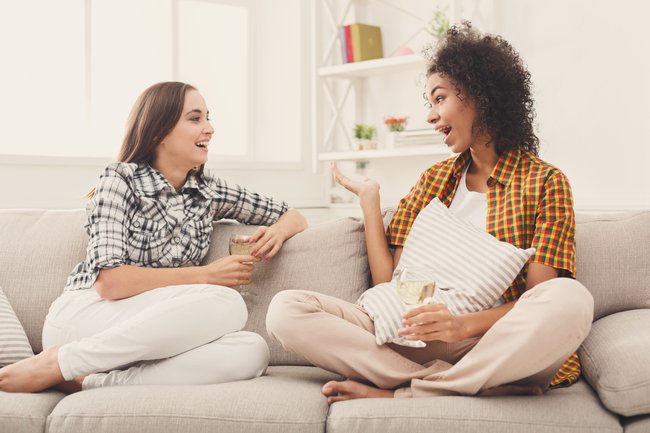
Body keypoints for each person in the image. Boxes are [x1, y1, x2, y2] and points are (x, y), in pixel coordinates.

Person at [266, 22, 593, 402]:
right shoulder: (434, 181)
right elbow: (389, 281)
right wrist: (371, 202)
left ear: (480, 96)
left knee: (570, 299)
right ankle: (454, 386)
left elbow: (539, 297)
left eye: (439, 99)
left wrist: (459, 326)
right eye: (430, 103)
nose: (431, 116)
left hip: (489, 343)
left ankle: (405, 391)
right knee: (285, 310)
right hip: (412, 338)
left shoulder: (545, 181)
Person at [0, 81, 307, 394]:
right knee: (227, 301)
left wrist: (279, 232)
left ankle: (91, 382)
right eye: (195, 118)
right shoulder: (120, 178)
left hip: (152, 331)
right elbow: (111, 283)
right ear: (159, 131)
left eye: (208, 118)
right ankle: (61, 362)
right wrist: (206, 276)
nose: (210, 129)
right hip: (87, 317)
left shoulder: (207, 190)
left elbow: (293, 214)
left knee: (252, 351)